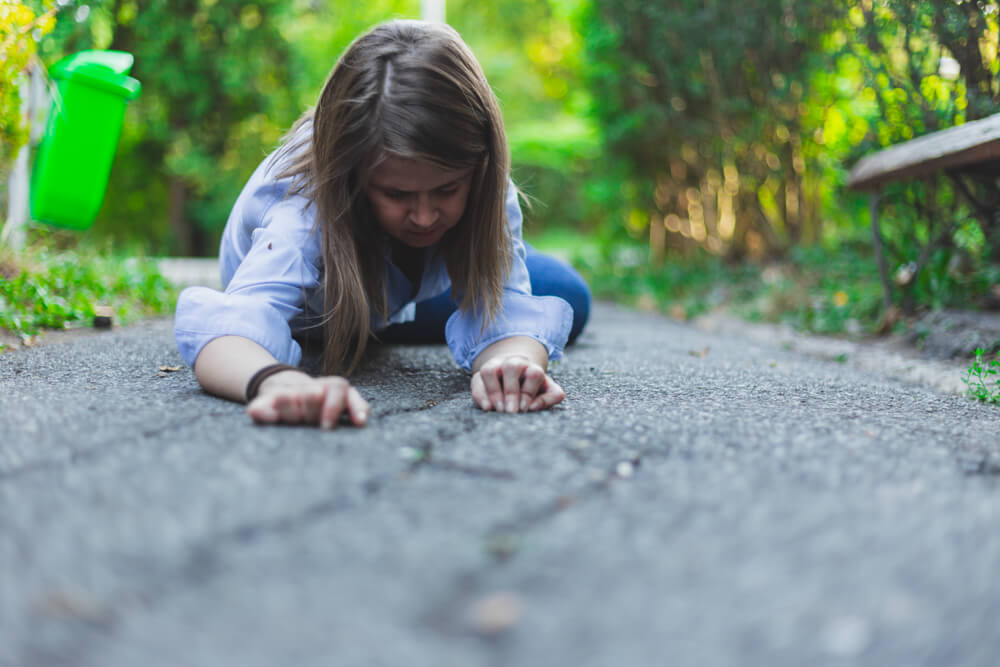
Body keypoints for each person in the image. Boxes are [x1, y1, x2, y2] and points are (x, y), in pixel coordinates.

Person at [174, 19, 590, 429]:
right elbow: (224, 333)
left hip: (394, 302)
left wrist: (510, 364)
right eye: (397, 195)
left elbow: (507, 317)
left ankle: (401, 312)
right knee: (555, 293)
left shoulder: (483, 179)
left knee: (568, 293)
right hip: (321, 317)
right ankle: (378, 323)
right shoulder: (300, 203)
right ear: (353, 175)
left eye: (446, 190)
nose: (425, 217)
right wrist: (274, 380)